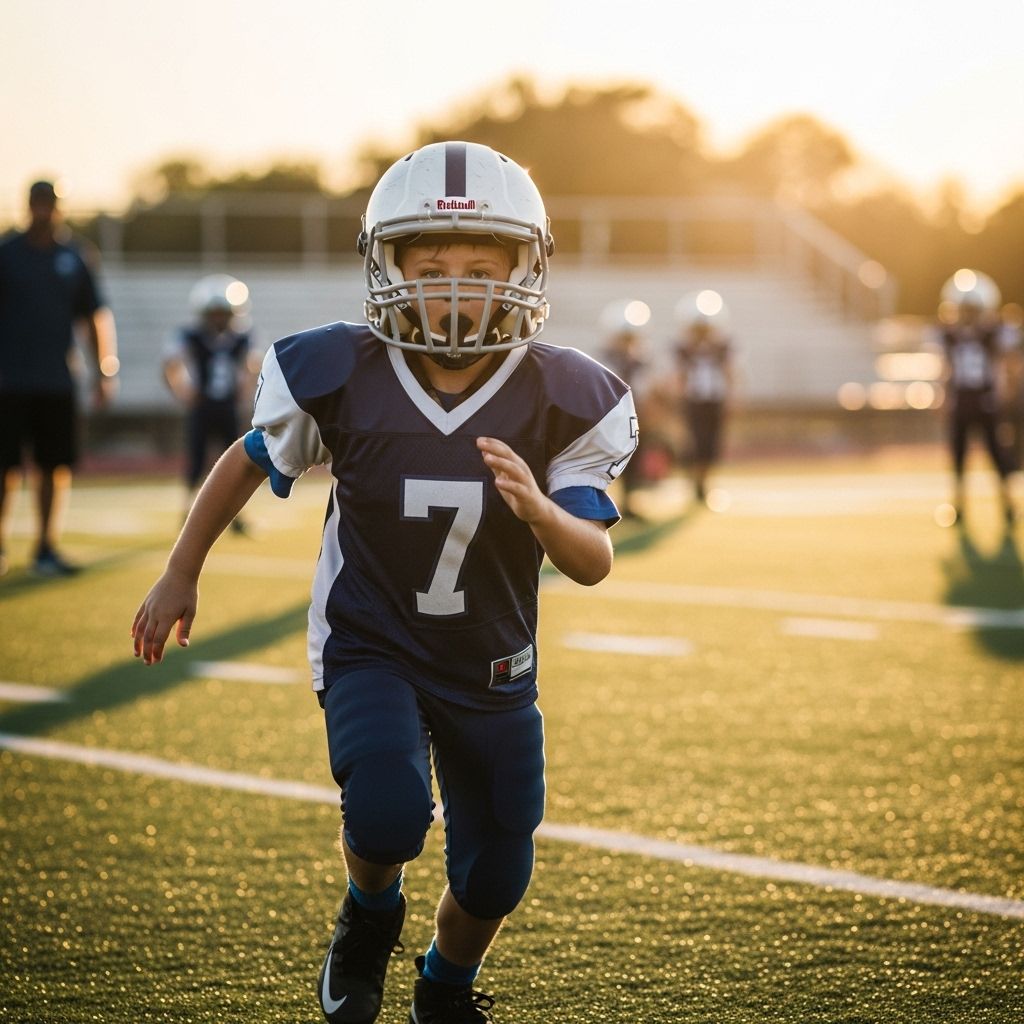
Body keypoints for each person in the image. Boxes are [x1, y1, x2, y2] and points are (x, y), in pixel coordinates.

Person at [130, 141, 638, 1024]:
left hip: (492, 659)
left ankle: (444, 984)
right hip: (372, 640)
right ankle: (368, 915)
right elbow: (248, 461)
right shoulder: (339, 372)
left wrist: (542, 512)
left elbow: (591, 560)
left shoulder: (565, 393)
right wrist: (182, 568)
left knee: (497, 868)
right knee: (387, 809)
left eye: (480, 268)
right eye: (430, 266)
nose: (452, 289)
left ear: (524, 269)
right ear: (387, 268)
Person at [0, 179, 118, 577]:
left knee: (54, 465)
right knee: (6, 466)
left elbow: (94, 316)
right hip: (8, 379)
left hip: (56, 378)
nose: (43, 211)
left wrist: (103, 367)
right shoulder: (7, 253)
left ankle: (45, 546)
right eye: (37, 203)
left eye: (49, 204)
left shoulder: (74, 256)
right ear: (28, 206)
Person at [163, 274, 259, 529]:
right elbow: (170, 364)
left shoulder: (242, 337)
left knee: (238, 463)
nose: (218, 318)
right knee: (196, 462)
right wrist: (182, 391)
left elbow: (253, 365)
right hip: (202, 406)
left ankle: (236, 516)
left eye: (223, 312)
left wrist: (246, 388)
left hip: (227, 406)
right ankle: (187, 512)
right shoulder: (191, 336)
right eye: (214, 313)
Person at [935, 269, 1016, 525]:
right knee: (960, 456)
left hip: (982, 400)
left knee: (995, 454)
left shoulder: (990, 334)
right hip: (968, 400)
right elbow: (946, 370)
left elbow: (1005, 365)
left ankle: (1006, 504)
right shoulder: (958, 335)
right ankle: (963, 506)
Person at [674, 289, 733, 505]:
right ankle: (696, 485)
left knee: (711, 444)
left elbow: (730, 372)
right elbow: (680, 376)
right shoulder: (684, 348)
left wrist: (731, 398)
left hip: (714, 400)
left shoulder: (722, 346)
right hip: (693, 401)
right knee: (695, 443)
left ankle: (704, 483)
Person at [598, 299, 649, 517]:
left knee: (634, 461)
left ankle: (629, 501)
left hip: (634, 418)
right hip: (611, 418)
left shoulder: (640, 361)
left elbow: (646, 388)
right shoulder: (605, 359)